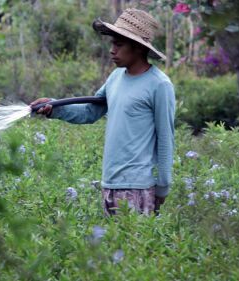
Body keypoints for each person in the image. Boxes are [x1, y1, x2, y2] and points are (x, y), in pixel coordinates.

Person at [30, 8, 175, 216]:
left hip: (138, 188)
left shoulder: (159, 85)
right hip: (110, 184)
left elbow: (166, 138)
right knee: (113, 248)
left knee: (135, 247)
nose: (112, 50)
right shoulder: (115, 78)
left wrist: (163, 186)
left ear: (137, 47)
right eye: (112, 43)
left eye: (119, 44)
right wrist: (55, 107)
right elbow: (89, 112)